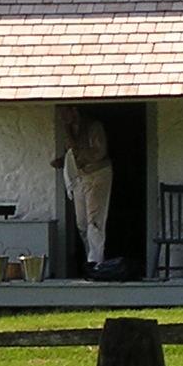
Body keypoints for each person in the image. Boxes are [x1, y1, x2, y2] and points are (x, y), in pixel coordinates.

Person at [53, 108, 112, 274]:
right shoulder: (70, 130)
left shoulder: (94, 127)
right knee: (82, 223)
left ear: (74, 112)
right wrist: (64, 161)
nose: (62, 117)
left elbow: (99, 153)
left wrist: (78, 153)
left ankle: (97, 263)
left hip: (97, 175)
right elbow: (71, 153)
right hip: (80, 178)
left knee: (95, 220)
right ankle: (90, 259)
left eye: (65, 112)